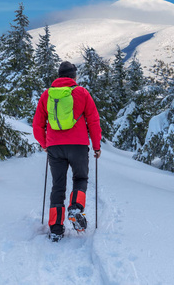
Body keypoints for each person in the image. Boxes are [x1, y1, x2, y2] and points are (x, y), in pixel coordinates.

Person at [33, 61, 102, 242]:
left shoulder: (47, 95)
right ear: (74, 76)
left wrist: (45, 144)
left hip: (55, 146)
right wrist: (96, 146)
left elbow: (37, 125)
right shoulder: (82, 93)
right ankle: (76, 207)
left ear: (59, 75)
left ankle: (56, 228)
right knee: (80, 178)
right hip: (78, 145)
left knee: (58, 185)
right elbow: (93, 121)